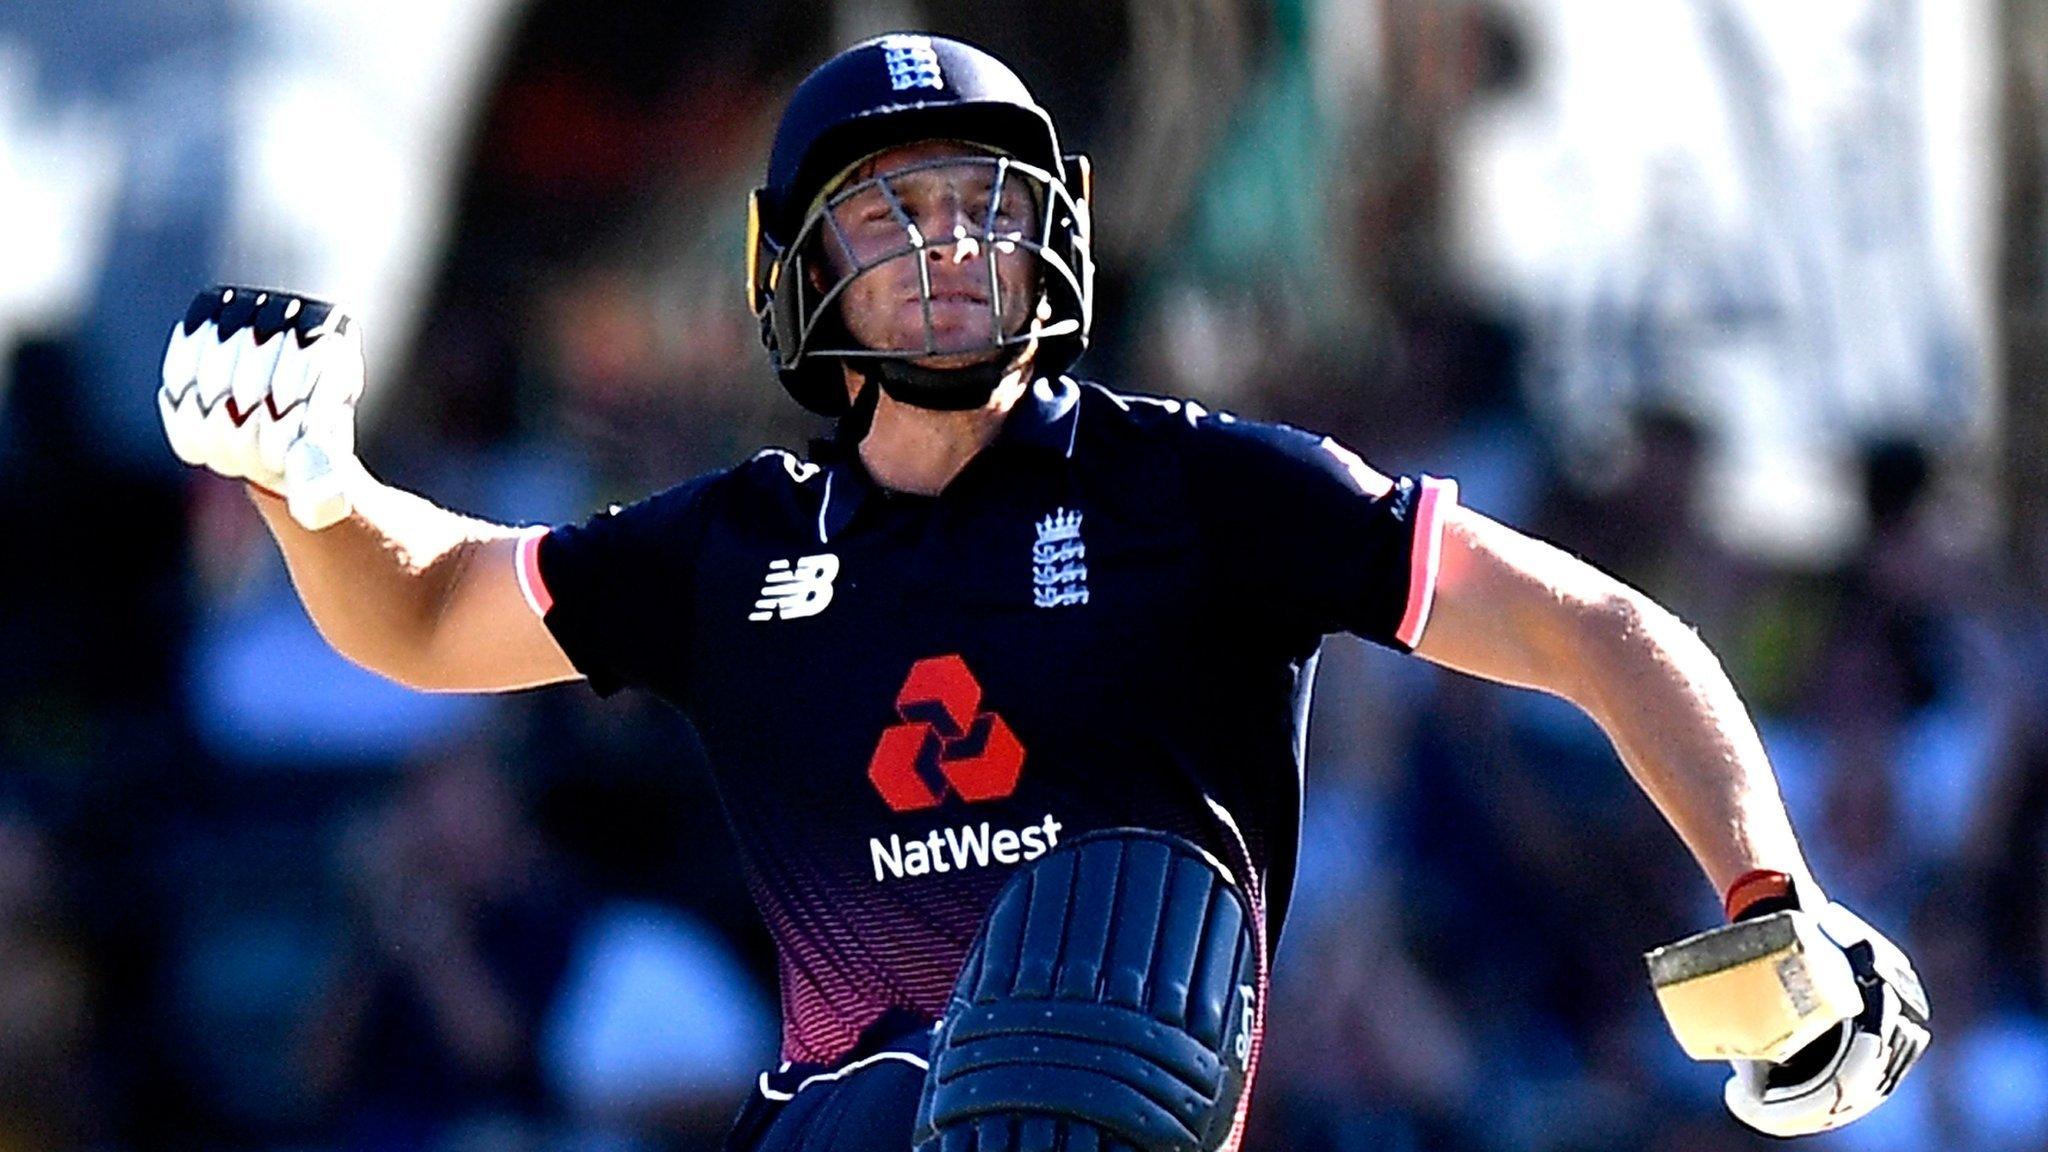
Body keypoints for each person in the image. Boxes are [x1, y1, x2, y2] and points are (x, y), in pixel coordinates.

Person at [157, 33, 1927, 1152]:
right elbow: (421, 614)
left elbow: (1593, 627)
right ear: (796, 270)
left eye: (980, 208)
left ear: (1051, 241)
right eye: (888, 216)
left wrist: (1778, 892)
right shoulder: (730, 547)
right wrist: (313, 487)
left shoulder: (1203, 492)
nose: (943, 251)